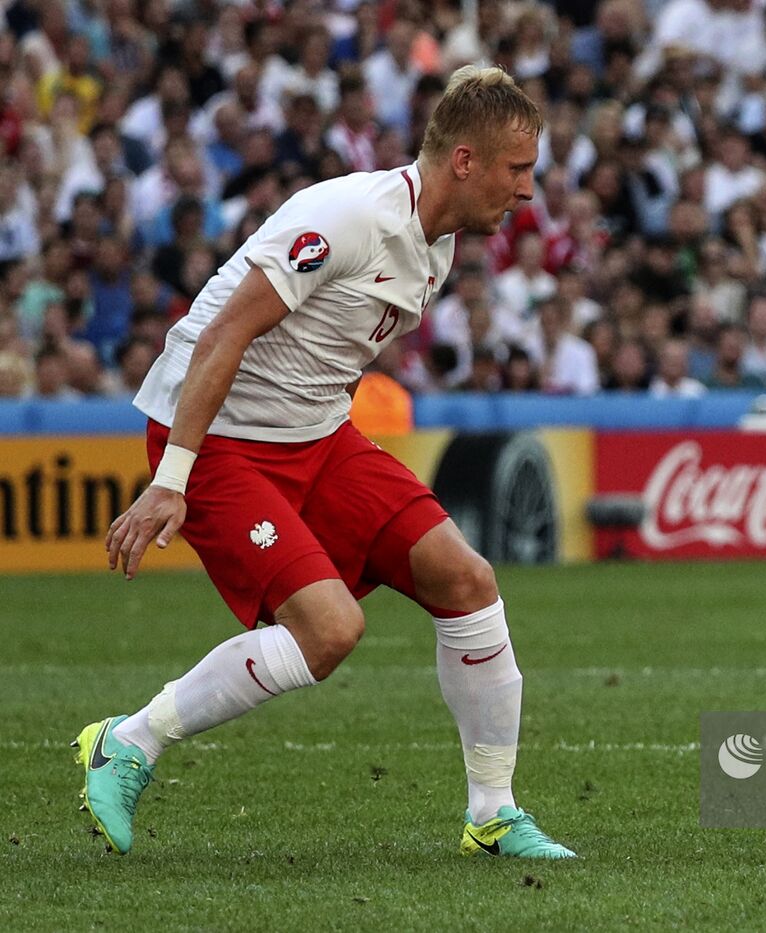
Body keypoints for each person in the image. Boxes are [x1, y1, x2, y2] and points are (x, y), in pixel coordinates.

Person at [76, 66, 575, 860]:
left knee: (468, 581)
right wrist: (171, 479)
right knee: (330, 630)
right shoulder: (344, 217)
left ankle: (493, 812)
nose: (528, 190)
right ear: (466, 163)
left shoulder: (436, 247)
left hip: (312, 433)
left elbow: (323, 353)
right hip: (215, 437)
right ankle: (128, 741)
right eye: (518, 170)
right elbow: (223, 336)